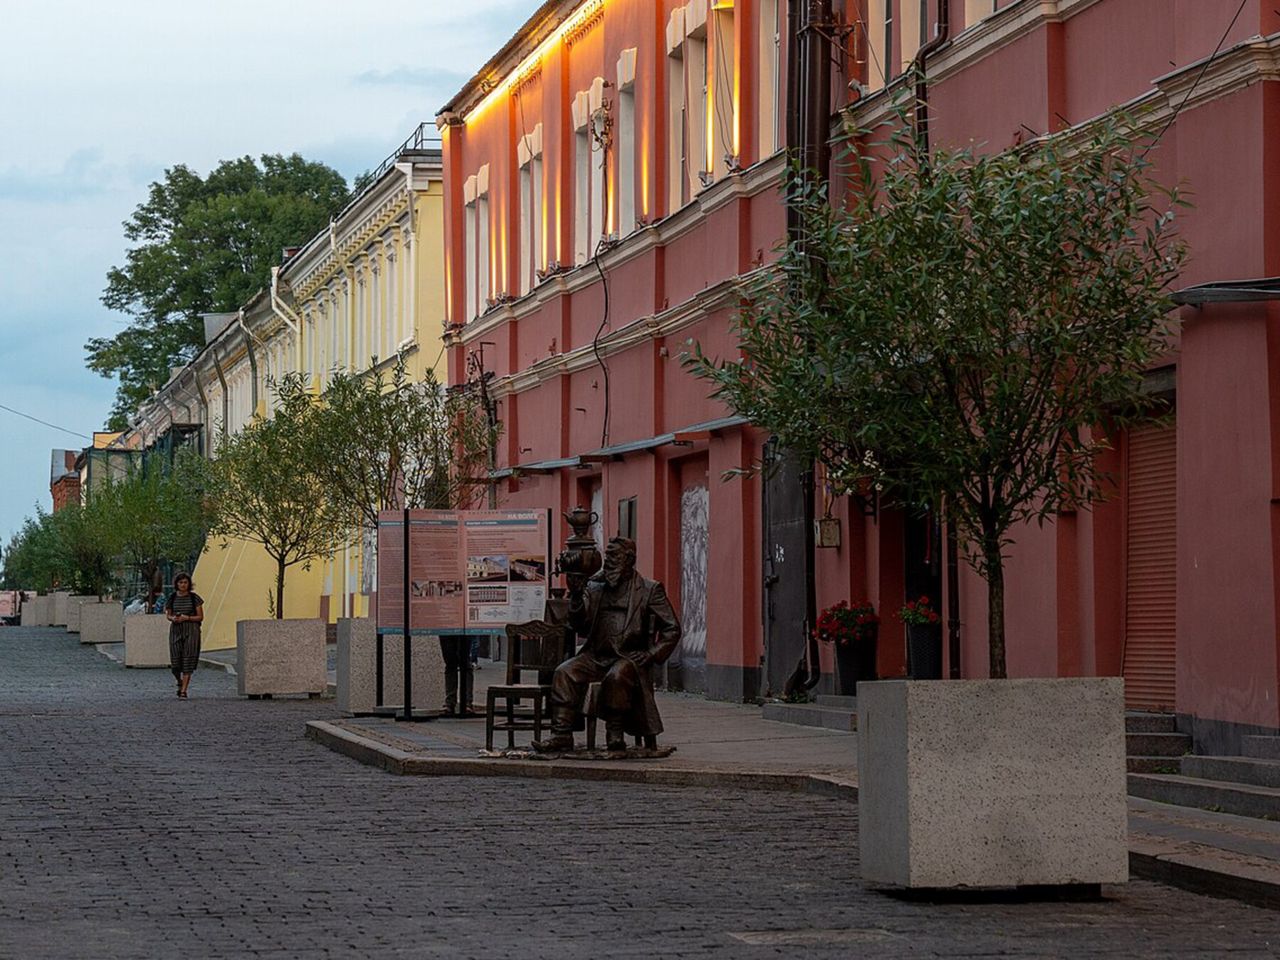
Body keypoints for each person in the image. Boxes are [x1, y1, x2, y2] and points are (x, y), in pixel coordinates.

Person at [532, 537, 681, 753]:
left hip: (629, 658)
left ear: (629, 559)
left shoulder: (649, 589)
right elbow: (579, 626)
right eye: (607, 555)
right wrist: (574, 596)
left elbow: (672, 629)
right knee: (564, 672)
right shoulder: (595, 586)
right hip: (595, 656)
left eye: (614, 556)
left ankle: (615, 733)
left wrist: (651, 654)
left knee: (617, 675)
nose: (608, 561)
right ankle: (561, 735)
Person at [164, 573, 204, 699]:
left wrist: (187, 618)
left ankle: (184, 690)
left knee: (188, 659)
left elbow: (200, 616)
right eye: (180, 582)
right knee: (175, 662)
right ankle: (179, 680)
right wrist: (174, 618)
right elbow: (168, 615)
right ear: (176, 584)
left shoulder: (194, 598)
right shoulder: (172, 598)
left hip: (191, 630)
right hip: (176, 630)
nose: (183, 585)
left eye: (185, 582)